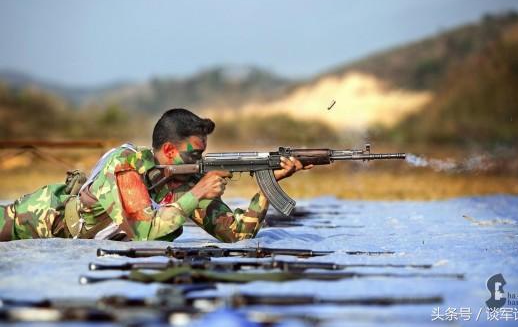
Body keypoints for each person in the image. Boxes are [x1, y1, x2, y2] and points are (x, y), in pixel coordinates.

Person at [0, 108, 311, 242]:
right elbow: (143, 230)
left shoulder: (182, 184)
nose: (201, 161)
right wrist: (197, 193)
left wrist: (271, 182)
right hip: (31, 222)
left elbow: (236, 233)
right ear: (169, 150)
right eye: (195, 154)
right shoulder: (126, 164)